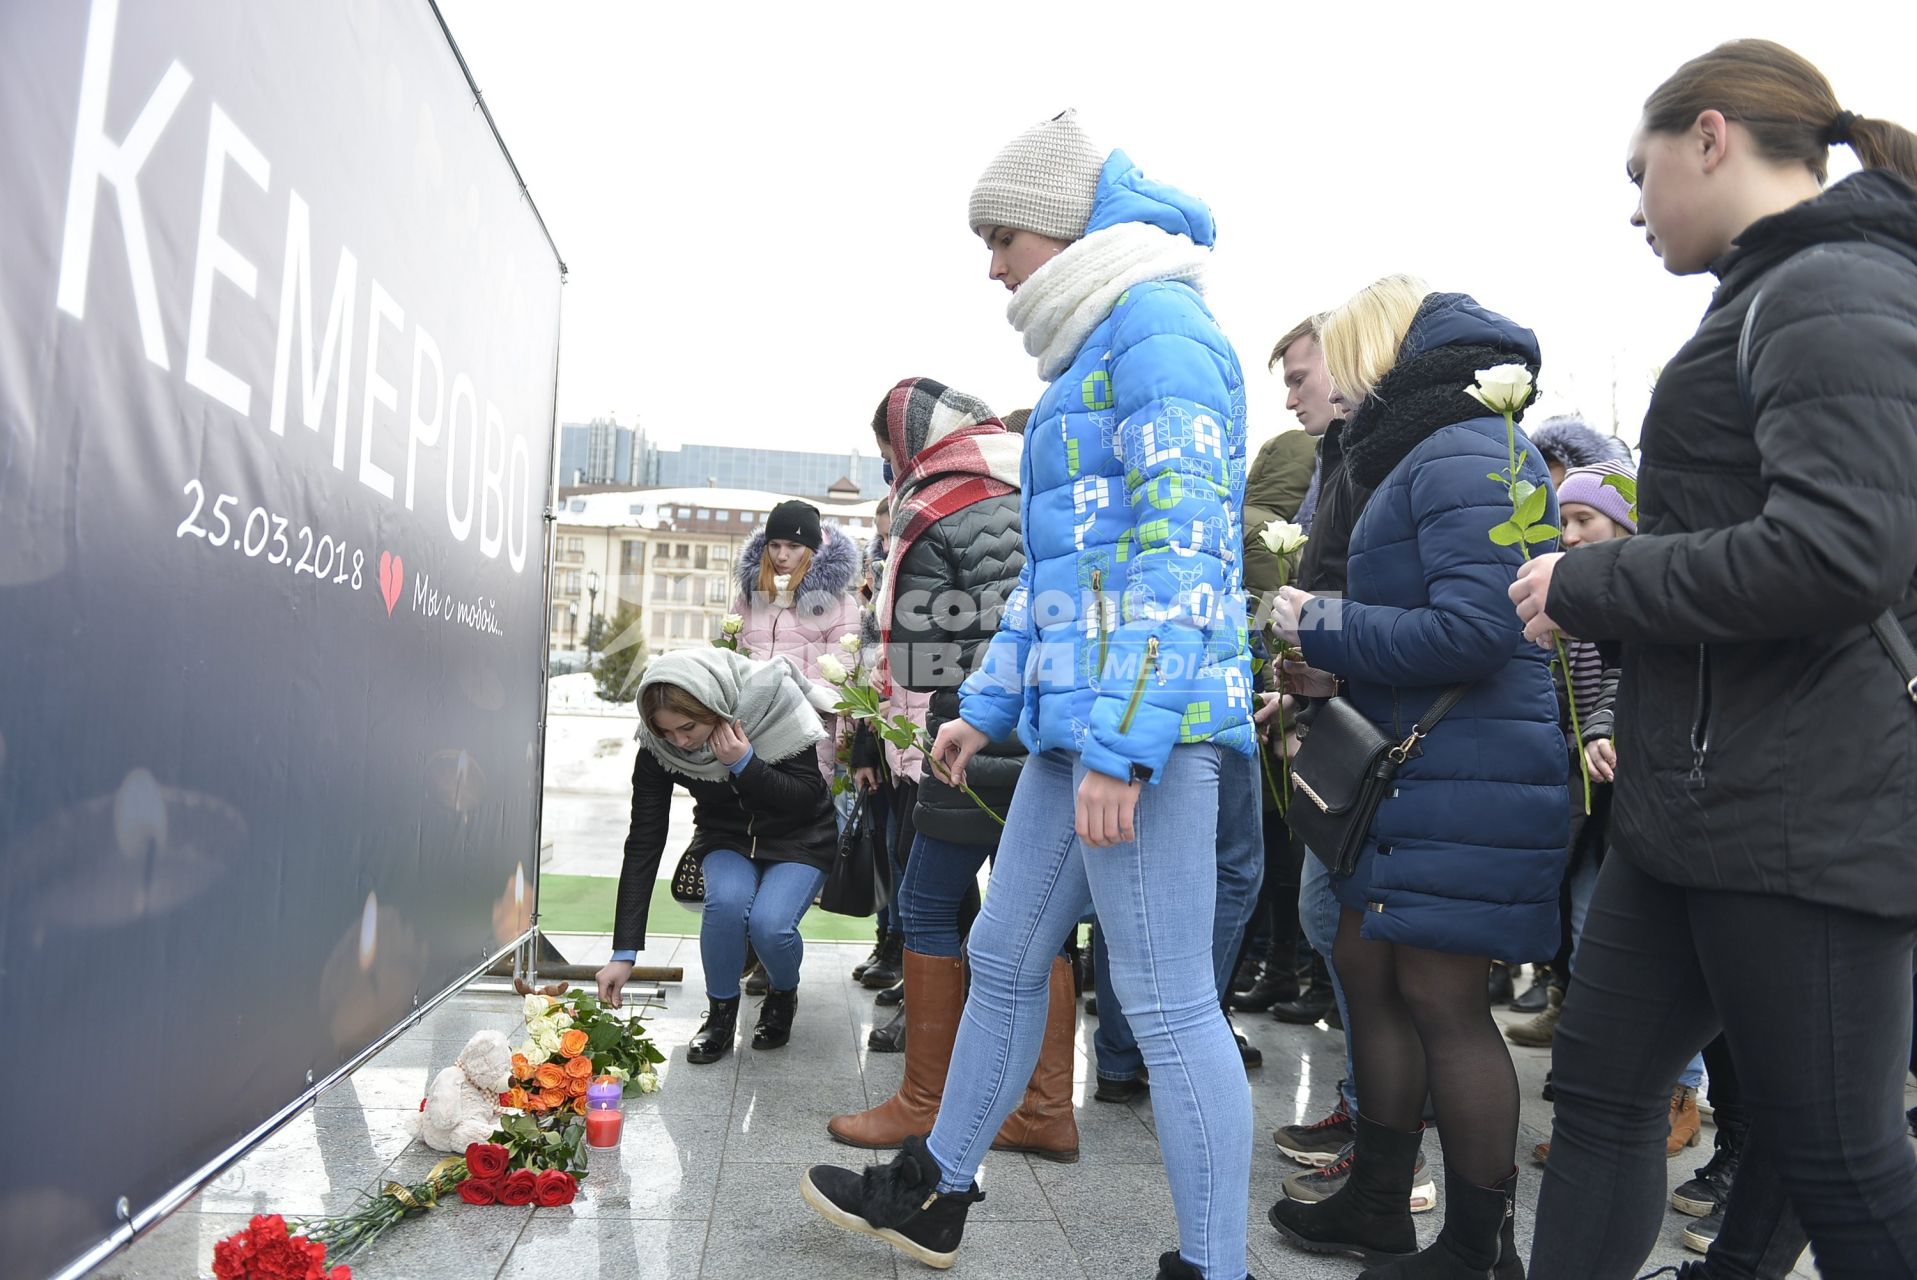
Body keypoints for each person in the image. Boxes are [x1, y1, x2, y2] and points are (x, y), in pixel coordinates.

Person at [802, 111, 1257, 1280]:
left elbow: (1184, 555)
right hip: (1072, 731)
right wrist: (990, 705)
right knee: (1004, 958)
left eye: (1001, 235)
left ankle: (1216, 1266)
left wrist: (1124, 745)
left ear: (1062, 227)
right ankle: (939, 1190)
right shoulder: (1091, 350)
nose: (991, 262)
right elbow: (1059, 574)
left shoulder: (1161, 330)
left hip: (1132, 738)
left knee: (1163, 1005)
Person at [1511, 39, 1917, 1278]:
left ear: (1712, 134)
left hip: (1800, 806)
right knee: (1600, 1096)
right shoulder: (1778, 289)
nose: (1636, 209)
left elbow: (1841, 550)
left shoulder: (1832, 286)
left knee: (1844, 1157)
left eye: (1641, 173)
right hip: (1696, 795)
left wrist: (1593, 579)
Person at [1265, 275, 1567, 1279]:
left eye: (1344, 360)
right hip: (1425, 772)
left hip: (1468, 774)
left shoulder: (1467, 448)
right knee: (1370, 968)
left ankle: (1482, 1250)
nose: (1339, 386)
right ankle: (1379, 1201)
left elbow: (1481, 629)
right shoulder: (1429, 447)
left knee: (1443, 996)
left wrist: (1323, 623)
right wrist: (1332, 665)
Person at [826, 376, 1071, 1158]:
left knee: (928, 904)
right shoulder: (1036, 480)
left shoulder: (933, 508)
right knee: (1043, 922)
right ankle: (1045, 1109)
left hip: (970, 735)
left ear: (905, 443)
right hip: (1051, 734)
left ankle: (924, 1101)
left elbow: (915, 660)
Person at [595, 647, 838, 1064]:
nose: (681, 742)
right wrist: (624, 951)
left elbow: (805, 798)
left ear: (715, 705)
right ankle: (721, 1015)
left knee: (770, 925)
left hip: (800, 834)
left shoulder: (772, 703)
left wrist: (745, 763)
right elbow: (644, 841)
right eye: (666, 732)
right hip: (725, 836)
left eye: (687, 727)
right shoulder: (658, 746)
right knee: (725, 903)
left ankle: (783, 993)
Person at [1491, 417, 1634, 1011]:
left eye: (1585, 521)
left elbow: (1629, 677)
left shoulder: (1627, 598)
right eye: (1563, 521)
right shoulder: (1564, 600)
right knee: (1578, 904)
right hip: (1575, 767)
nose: (1569, 535)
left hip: (1612, 771)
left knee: (1608, 916)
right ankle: (1572, 1020)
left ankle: (1675, 1078)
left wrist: (1601, 727)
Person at [731, 499, 863, 781]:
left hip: (807, 743)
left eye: (793, 547)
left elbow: (844, 682)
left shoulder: (839, 604)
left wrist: (788, 692)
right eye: (775, 545)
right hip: (747, 740)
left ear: (812, 551)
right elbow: (730, 663)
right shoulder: (748, 599)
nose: (781, 556)